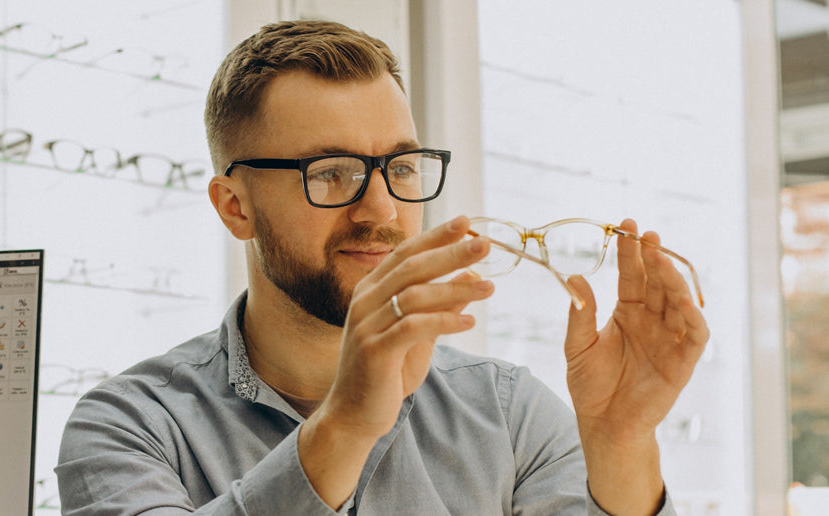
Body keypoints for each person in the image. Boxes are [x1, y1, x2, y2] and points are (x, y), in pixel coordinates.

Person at [56, 20, 709, 515]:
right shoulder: (129, 424)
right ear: (235, 207)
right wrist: (343, 426)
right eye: (331, 173)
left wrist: (622, 444)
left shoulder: (508, 414)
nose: (382, 208)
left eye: (399, 167)